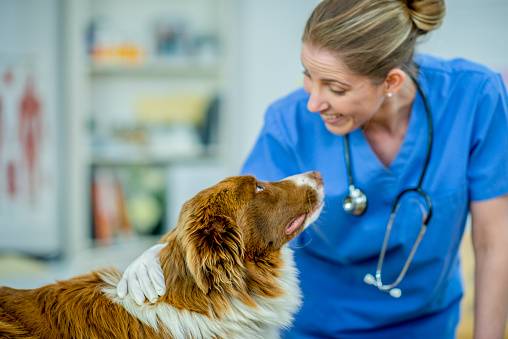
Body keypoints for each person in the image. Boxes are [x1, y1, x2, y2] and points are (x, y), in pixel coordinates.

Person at [117, 0, 508, 337]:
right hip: (316, 327)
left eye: (335, 88)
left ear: (390, 81)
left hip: (426, 324)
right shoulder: (288, 121)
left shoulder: (475, 97)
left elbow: (494, 243)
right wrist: (168, 251)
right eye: (308, 75)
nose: (313, 102)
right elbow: (238, 216)